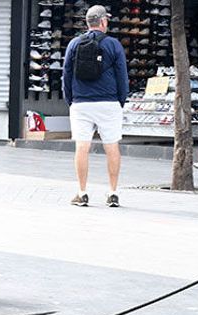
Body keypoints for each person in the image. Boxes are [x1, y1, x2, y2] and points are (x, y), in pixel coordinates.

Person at [62, 5, 128, 207]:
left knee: (82, 147)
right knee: (112, 146)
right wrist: (120, 101)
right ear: (103, 21)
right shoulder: (113, 44)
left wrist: (71, 100)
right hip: (109, 102)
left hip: (81, 103)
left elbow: (66, 75)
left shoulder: (74, 43)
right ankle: (113, 193)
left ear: (87, 22)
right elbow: (122, 76)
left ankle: (82, 193)